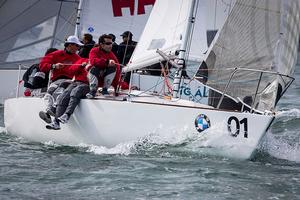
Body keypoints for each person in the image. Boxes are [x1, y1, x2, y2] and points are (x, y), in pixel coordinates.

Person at [38, 35, 83, 124]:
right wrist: (54, 66)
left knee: (60, 89)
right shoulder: (56, 54)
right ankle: (51, 112)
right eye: (77, 46)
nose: (78, 48)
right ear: (70, 45)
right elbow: (42, 65)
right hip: (57, 80)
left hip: (71, 81)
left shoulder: (78, 58)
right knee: (52, 90)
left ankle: (50, 112)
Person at [46, 58, 90, 130]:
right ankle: (56, 122)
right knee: (63, 97)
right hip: (76, 82)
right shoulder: (83, 60)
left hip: (88, 85)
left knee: (75, 92)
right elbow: (71, 71)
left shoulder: (103, 61)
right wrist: (80, 66)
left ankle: (66, 115)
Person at [85, 34, 121, 98]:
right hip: (90, 79)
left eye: (111, 43)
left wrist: (116, 88)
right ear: (101, 44)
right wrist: (107, 62)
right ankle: (93, 91)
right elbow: (93, 61)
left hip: (102, 80)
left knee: (113, 68)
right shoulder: (94, 50)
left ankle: (105, 90)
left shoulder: (111, 55)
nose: (110, 45)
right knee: (94, 68)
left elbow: (118, 71)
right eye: (108, 43)